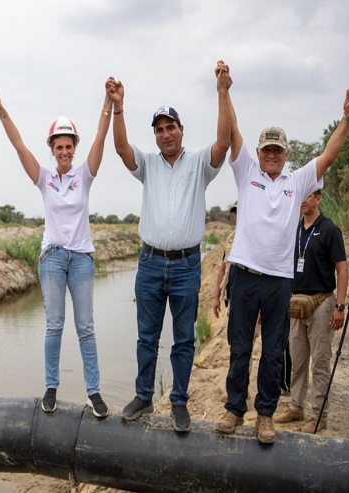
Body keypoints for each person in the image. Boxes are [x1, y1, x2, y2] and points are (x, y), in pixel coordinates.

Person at [216, 72, 349, 444]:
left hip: (280, 280)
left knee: (274, 351)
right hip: (246, 275)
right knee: (240, 346)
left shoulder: (296, 183)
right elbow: (231, 131)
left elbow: (329, 155)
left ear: (286, 154)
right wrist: (223, 91)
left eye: (277, 150)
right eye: (266, 149)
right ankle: (235, 409)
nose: (270, 155)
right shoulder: (246, 171)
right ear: (259, 153)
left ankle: (265, 415)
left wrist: (345, 120)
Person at [106, 61, 232, 432]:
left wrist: (222, 92)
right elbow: (120, 147)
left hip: (187, 266)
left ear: (181, 130)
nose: (164, 134)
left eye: (170, 127)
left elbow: (224, 142)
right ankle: (143, 396)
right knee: (146, 337)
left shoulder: (199, 164)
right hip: (149, 264)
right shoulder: (147, 164)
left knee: (183, 339)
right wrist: (118, 105)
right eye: (159, 130)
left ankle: (178, 401)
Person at [0, 86, 112, 418]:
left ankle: (94, 392)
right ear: (52, 149)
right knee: (54, 325)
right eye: (59, 146)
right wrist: (2, 111)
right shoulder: (44, 178)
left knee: (85, 326)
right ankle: (51, 388)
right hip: (52, 258)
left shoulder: (84, 175)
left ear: (74, 148)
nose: (65, 151)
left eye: (69, 146)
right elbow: (18, 145)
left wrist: (107, 103)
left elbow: (100, 139)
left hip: (82, 258)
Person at [274, 188, 347, 434]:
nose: (303, 201)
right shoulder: (294, 230)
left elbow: (342, 270)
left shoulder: (329, 230)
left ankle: (319, 415)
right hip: (296, 304)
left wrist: (339, 306)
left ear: (318, 199)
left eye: (308, 197)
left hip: (321, 304)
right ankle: (296, 407)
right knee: (298, 360)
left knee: (320, 362)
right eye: (300, 197)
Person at [213, 202, 238, 319]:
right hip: (233, 297)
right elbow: (223, 269)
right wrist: (216, 298)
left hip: (251, 298)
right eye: (236, 213)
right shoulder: (231, 238)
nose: (237, 216)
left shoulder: (256, 238)